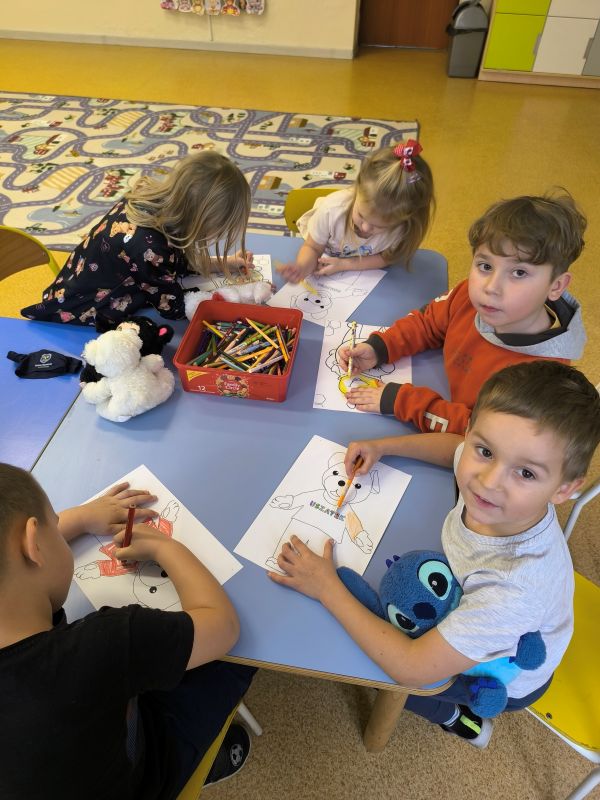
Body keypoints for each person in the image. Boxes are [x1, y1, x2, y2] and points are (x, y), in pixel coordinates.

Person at [268, 360, 600, 748]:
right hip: (476, 608)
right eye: (485, 451)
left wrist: (327, 588)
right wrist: (383, 447)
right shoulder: (492, 479)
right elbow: (455, 450)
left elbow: (411, 668)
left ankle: (455, 717)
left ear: (564, 490)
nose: (488, 481)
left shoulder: (512, 592)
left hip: (501, 674)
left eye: (526, 473)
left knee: (376, 670)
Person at [0, 467, 255, 799]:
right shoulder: (105, 642)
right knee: (239, 658)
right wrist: (166, 548)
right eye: (55, 523)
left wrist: (81, 518)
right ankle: (203, 762)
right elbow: (223, 627)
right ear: (34, 543)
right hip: (144, 778)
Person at [338, 191, 587, 434]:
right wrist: (380, 348)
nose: (491, 287)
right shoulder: (469, 297)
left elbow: (479, 433)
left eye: (519, 273)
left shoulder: (542, 380)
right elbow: (427, 324)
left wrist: (402, 401)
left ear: (556, 286)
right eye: (485, 266)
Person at [21, 151, 253, 326]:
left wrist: (224, 263)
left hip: (74, 289)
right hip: (83, 312)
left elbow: (174, 262)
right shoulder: (148, 248)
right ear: (199, 218)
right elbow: (173, 308)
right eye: (219, 227)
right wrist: (233, 299)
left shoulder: (151, 206)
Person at [278, 140, 434, 282]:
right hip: (322, 251)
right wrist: (301, 268)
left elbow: (386, 258)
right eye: (361, 215)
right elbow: (313, 248)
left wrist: (344, 264)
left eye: (380, 226)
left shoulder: (403, 228)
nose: (365, 228)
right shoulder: (331, 210)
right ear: (357, 189)